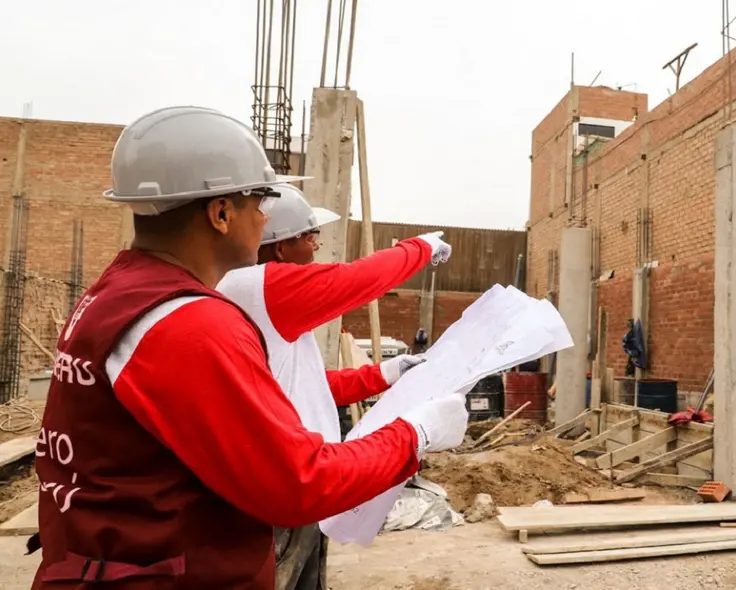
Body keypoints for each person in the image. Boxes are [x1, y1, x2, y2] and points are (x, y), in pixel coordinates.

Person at [31, 106, 468, 590]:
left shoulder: (118, 294)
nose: (265, 218)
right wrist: (415, 433)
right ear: (221, 214)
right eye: (260, 202)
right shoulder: (190, 324)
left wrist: (381, 377)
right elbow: (298, 483)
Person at [216, 183, 451, 590]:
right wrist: (420, 248)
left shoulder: (265, 301)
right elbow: (356, 280)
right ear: (277, 247)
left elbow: (305, 385)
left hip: (304, 488)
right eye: (308, 237)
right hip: (282, 490)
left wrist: (387, 373)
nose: (316, 247)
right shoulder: (260, 286)